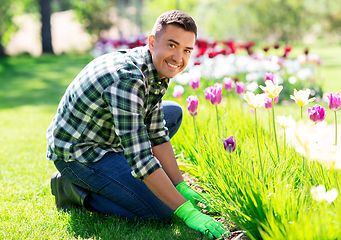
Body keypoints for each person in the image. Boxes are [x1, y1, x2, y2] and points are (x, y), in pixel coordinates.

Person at [47, 10, 230, 239]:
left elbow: (156, 133)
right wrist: (187, 211)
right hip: (79, 153)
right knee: (161, 210)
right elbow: (141, 160)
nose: (178, 58)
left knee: (172, 113)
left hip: (107, 134)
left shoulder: (154, 69)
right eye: (172, 45)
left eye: (186, 50)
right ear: (152, 42)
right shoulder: (128, 80)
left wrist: (180, 186)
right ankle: (72, 189)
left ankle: (116, 175)